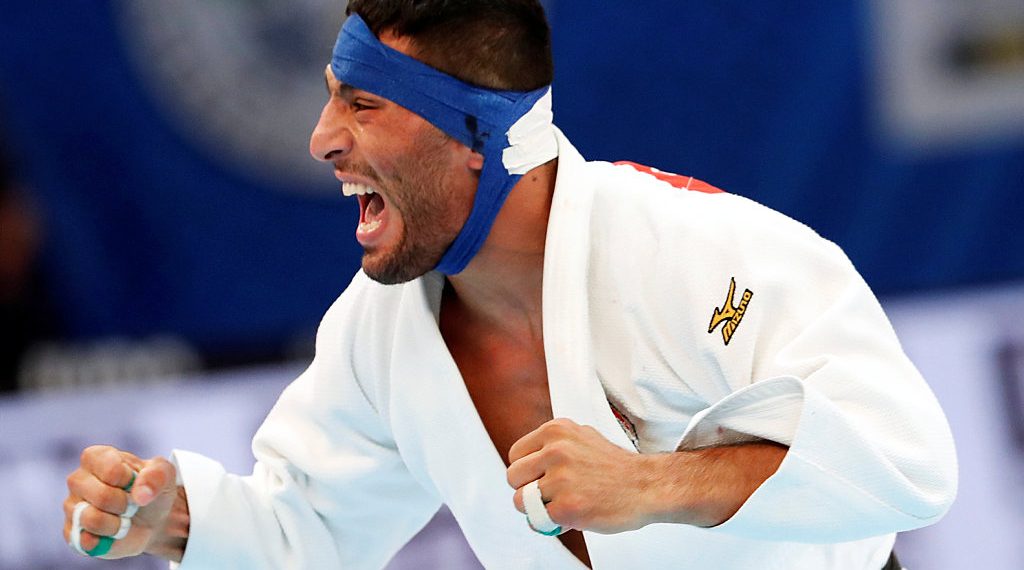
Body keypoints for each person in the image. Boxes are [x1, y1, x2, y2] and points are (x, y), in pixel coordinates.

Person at [62, 1, 957, 568]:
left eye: (363, 104)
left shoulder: (702, 250)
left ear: (486, 138)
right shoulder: (380, 331)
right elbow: (311, 531)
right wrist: (173, 521)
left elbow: (908, 462)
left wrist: (650, 483)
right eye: (332, 98)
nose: (322, 139)